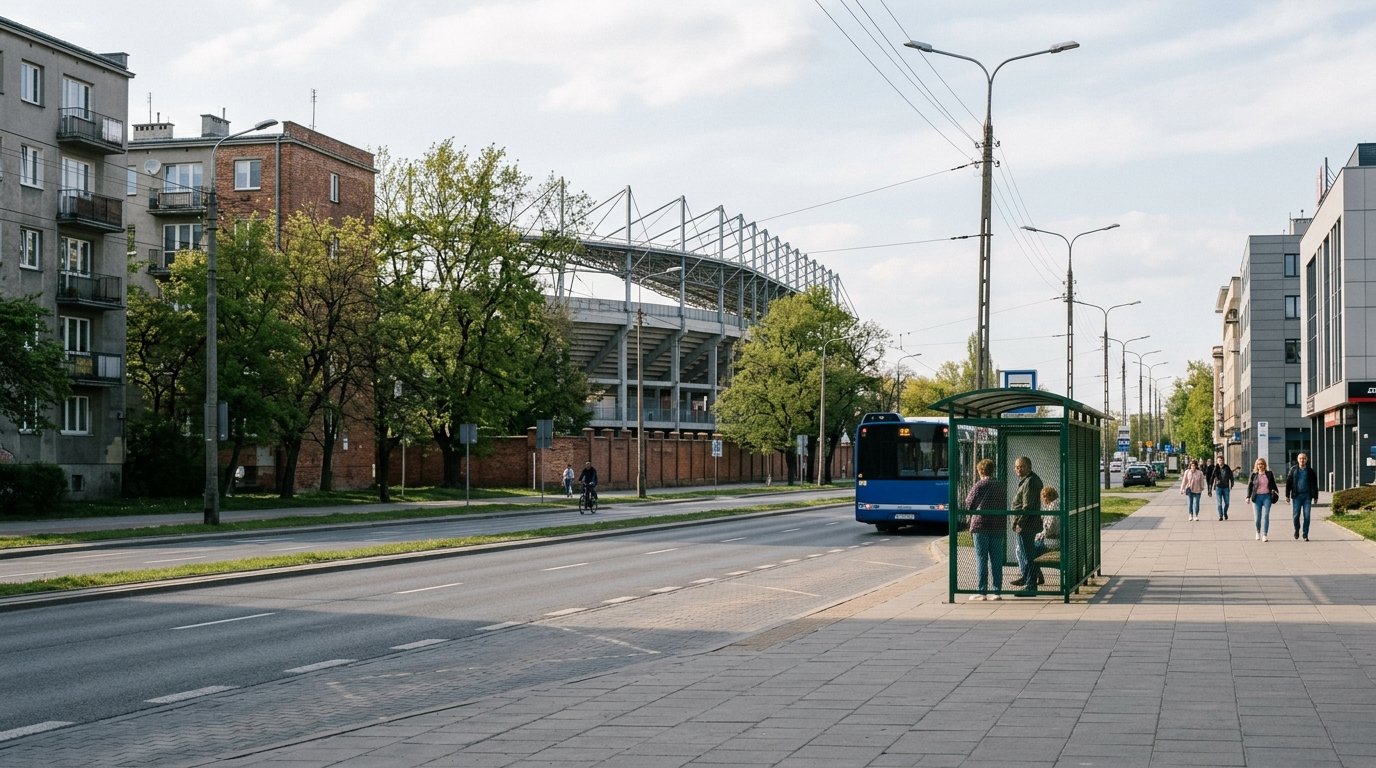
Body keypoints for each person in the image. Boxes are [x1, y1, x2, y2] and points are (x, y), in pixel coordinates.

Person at [963, 458, 1004, 601]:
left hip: (980, 525)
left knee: (982, 558)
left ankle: (982, 591)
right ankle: (997, 591)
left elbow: (968, 503)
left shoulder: (979, 485)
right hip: (997, 525)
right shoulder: (999, 485)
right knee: (996, 558)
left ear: (980, 470)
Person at [1009, 456, 1044, 596]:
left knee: (1027, 555)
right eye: (1016, 467)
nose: (1018, 469)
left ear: (1028, 467)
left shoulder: (1030, 482)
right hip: (1027, 525)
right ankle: (1027, 577)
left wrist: (1020, 524)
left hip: (1026, 526)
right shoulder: (1029, 480)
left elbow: (1027, 506)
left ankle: (1031, 586)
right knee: (1025, 554)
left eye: (1021, 466)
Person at [1286, 452, 1318, 541]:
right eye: (1300, 458)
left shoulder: (1310, 471)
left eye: (1304, 458)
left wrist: (1315, 496)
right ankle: (1297, 529)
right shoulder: (1293, 470)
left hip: (1307, 496)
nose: (1302, 460)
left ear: (1306, 460)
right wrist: (1287, 496)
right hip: (1296, 496)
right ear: (1298, 460)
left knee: (1307, 516)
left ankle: (1305, 534)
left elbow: (1314, 484)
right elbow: (1288, 483)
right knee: (1296, 516)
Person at [1246, 457, 1278, 542]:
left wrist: (1276, 492)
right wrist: (1248, 497)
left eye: (1262, 464)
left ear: (1264, 465)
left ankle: (1265, 534)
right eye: (1259, 464)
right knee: (1257, 518)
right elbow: (1250, 487)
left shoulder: (1269, 474)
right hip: (1257, 497)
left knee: (1266, 515)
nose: (1260, 465)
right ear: (1256, 465)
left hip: (1267, 497)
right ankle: (1257, 531)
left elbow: (1273, 484)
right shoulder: (1253, 475)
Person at [1212, 456, 1234, 521]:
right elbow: (1212, 477)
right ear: (1217, 461)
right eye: (1218, 460)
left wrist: (1232, 483)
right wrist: (1210, 489)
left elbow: (1231, 476)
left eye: (1221, 460)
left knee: (1227, 503)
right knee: (1219, 503)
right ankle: (1220, 516)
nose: (1220, 462)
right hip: (1218, 487)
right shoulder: (1216, 468)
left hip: (1226, 488)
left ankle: (1225, 513)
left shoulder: (1227, 467)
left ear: (1223, 461)